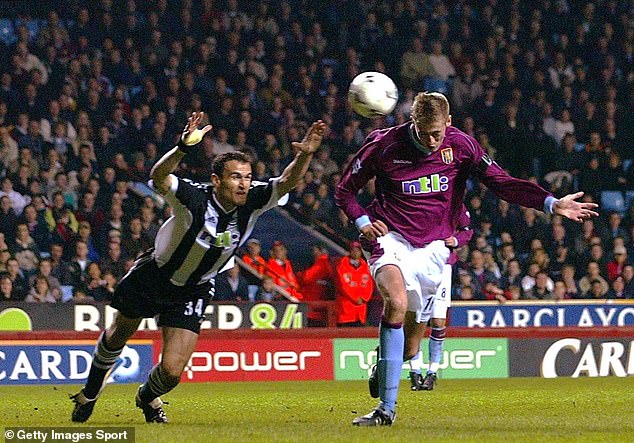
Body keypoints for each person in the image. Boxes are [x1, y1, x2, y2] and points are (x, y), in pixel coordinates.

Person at [335, 92, 598, 427]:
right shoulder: (384, 145)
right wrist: (363, 223)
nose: (431, 141)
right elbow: (344, 190)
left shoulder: (462, 147)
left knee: (411, 349)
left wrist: (550, 204)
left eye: (437, 133)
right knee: (396, 304)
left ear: (449, 123)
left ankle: (384, 363)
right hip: (392, 239)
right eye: (423, 132)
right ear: (411, 122)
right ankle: (386, 410)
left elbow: (502, 183)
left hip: (433, 250)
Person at [70, 112, 326, 423]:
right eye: (235, 177)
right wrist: (181, 148)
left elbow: (286, 182)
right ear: (217, 180)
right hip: (155, 274)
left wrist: (306, 156)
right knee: (117, 336)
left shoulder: (254, 199)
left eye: (247, 176)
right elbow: (158, 178)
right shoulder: (195, 197)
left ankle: (147, 397)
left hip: (196, 287)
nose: (244, 184)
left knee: (172, 372)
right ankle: (90, 393)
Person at [406, 208, 472, 391]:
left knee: (438, 320)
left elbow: (467, 230)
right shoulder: (417, 199)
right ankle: (415, 371)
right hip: (417, 264)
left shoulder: (454, 202)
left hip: (443, 266)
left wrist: (457, 240)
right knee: (416, 318)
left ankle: (432, 372)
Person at [334, 241, 374, 327]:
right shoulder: (342, 265)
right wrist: (355, 298)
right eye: (353, 250)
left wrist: (365, 298)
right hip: (346, 309)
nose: (355, 252)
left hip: (361, 310)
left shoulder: (365, 266)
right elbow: (342, 285)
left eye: (358, 250)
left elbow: (370, 285)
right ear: (349, 251)